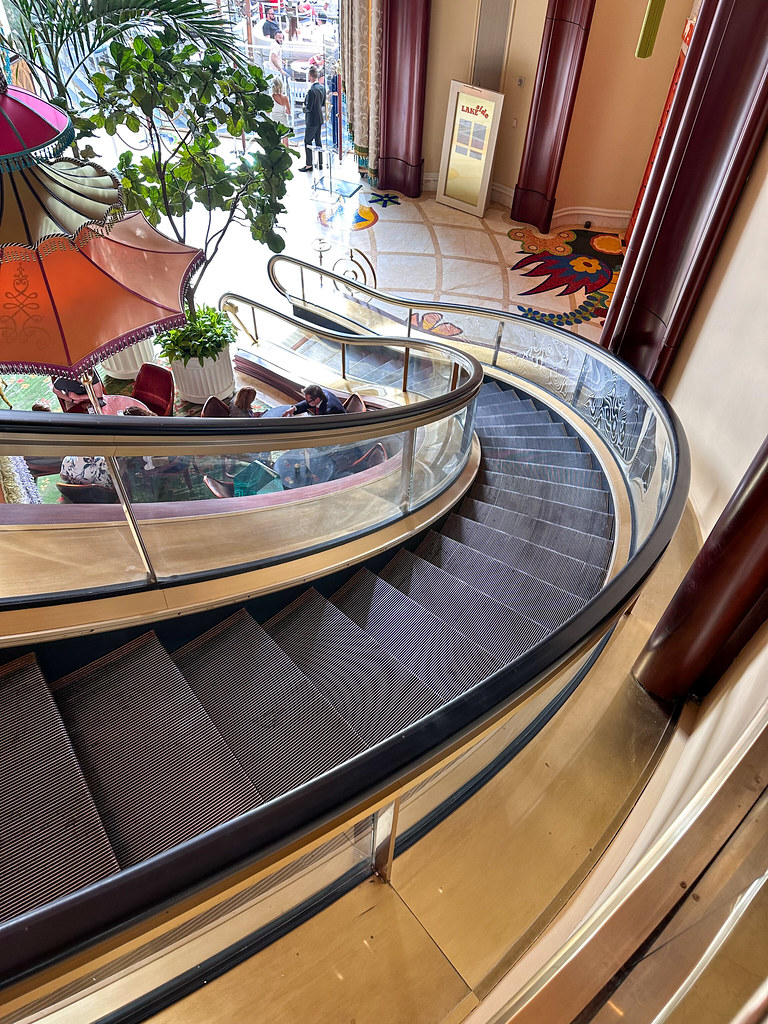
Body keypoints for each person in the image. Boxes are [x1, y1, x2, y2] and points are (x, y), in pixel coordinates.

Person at [299, 66, 326, 172]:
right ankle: (320, 162)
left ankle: (309, 164)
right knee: (318, 141)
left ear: (310, 76)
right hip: (319, 118)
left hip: (312, 120)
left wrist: (303, 108)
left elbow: (308, 108)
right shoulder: (322, 87)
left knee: (307, 141)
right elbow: (323, 103)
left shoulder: (311, 91)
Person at [270, 78, 292, 144]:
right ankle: (286, 153)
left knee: (275, 142)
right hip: (284, 121)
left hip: (274, 121)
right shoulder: (285, 98)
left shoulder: (271, 97)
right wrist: (283, 110)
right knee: (286, 142)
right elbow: (289, 112)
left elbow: (267, 111)